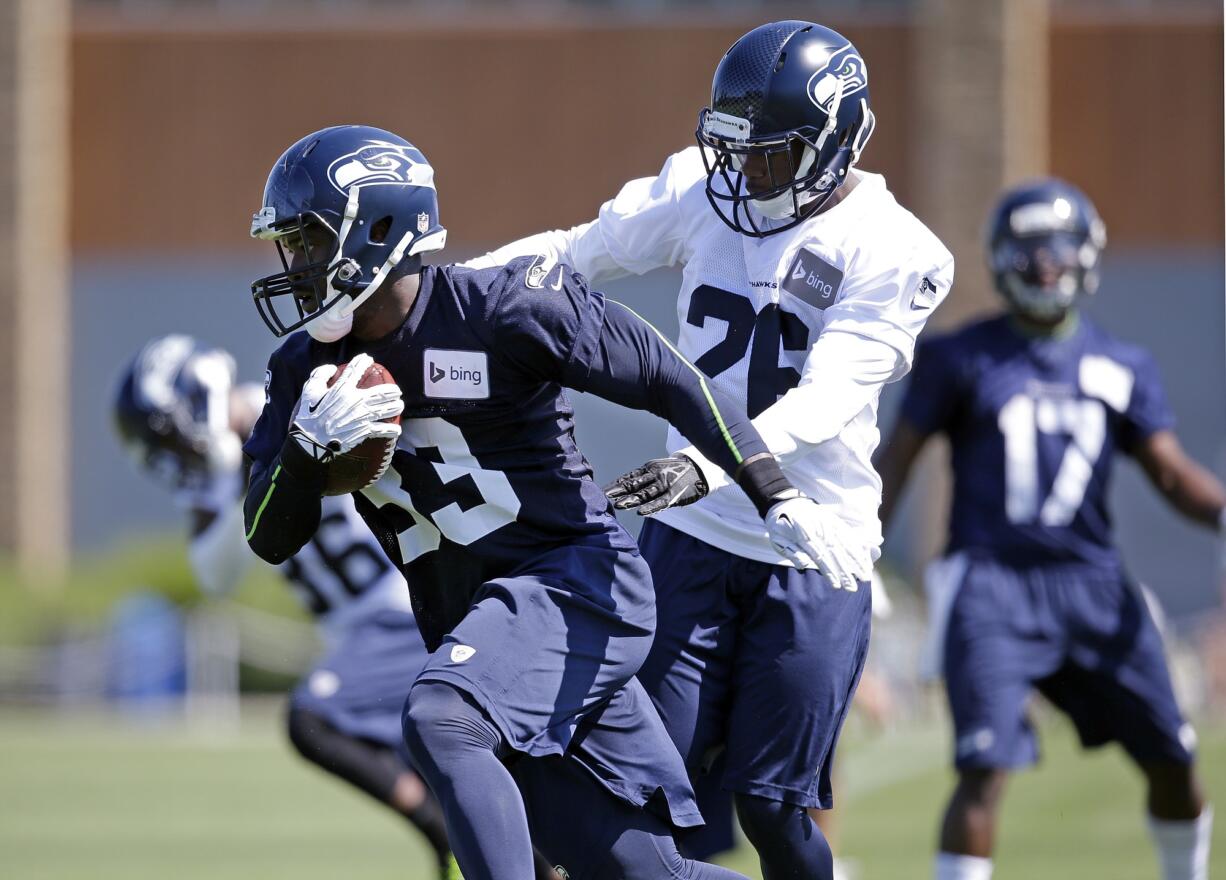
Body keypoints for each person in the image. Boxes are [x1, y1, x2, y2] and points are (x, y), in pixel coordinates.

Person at [241, 123, 843, 880]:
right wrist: (302, 457)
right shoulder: (302, 369)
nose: (294, 264)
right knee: (645, 875)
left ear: (379, 228)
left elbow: (672, 378)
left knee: (442, 717)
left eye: (308, 240)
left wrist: (771, 490)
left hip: (577, 586)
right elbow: (267, 533)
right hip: (483, 627)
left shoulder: (500, 309)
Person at [469, 20, 953, 880]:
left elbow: (832, 395)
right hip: (691, 540)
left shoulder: (897, 249)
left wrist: (705, 461)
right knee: (634, 786)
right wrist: (446, 296)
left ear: (837, 144)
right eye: (735, 149)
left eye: (770, 154)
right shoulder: (702, 189)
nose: (744, 173)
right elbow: (573, 257)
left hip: (810, 542)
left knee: (773, 806)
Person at [875, 178, 1222, 880]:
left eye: (1058, 248)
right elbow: (894, 467)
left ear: (1086, 255)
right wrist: (853, 551)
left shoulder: (1122, 366)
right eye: (1029, 250)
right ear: (1002, 258)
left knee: (1174, 756)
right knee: (983, 767)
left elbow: (1170, 474)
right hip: (991, 583)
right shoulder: (959, 358)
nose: (1044, 264)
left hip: (1093, 583)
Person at [112, 334, 459, 879]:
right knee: (453, 781)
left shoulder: (298, 407)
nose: (173, 455)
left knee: (316, 718)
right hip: (370, 638)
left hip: (407, 614)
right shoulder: (220, 478)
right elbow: (216, 574)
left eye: (168, 437)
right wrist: (228, 474)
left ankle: (447, 838)